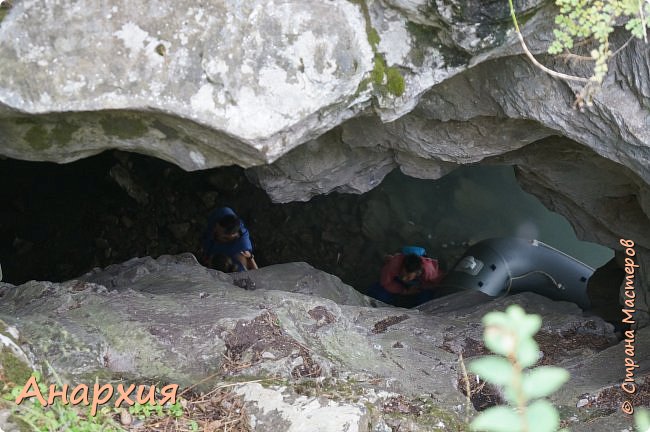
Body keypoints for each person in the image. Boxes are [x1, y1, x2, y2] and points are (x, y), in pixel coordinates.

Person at [368, 250, 445, 307]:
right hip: (399, 282)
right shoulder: (394, 264)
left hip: (420, 285)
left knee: (425, 302)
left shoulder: (429, 271)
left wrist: (420, 288)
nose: (404, 278)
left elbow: (437, 283)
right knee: (379, 293)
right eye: (403, 274)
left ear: (418, 273)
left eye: (408, 276)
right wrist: (403, 291)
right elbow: (385, 282)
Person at [198, 207, 258, 272]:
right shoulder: (223, 213)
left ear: (229, 237)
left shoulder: (240, 252)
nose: (214, 231)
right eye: (215, 226)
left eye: (217, 233)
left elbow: (253, 274)